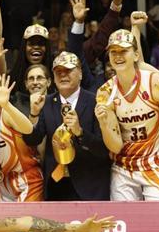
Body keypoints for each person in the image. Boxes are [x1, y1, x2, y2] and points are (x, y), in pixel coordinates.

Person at [95, 26, 159, 204]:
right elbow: (115, 146)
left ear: (136, 55)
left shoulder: (157, 83)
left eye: (123, 51)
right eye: (113, 52)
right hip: (123, 168)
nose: (118, 56)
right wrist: (104, 122)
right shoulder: (105, 92)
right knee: (126, 224)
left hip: (157, 164)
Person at [25, 51, 110, 200]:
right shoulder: (47, 102)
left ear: (81, 74)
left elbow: (104, 149)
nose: (63, 75)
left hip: (89, 187)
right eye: (58, 71)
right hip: (55, 185)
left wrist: (80, 133)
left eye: (68, 70)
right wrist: (33, 114)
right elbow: (32, 140)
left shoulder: (96, 102)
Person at [0, 70, 43, 201]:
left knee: (21, 221)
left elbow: (29, 129)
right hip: (2, 182)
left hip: (27, 180)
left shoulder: (6, 114)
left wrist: (6, 104)